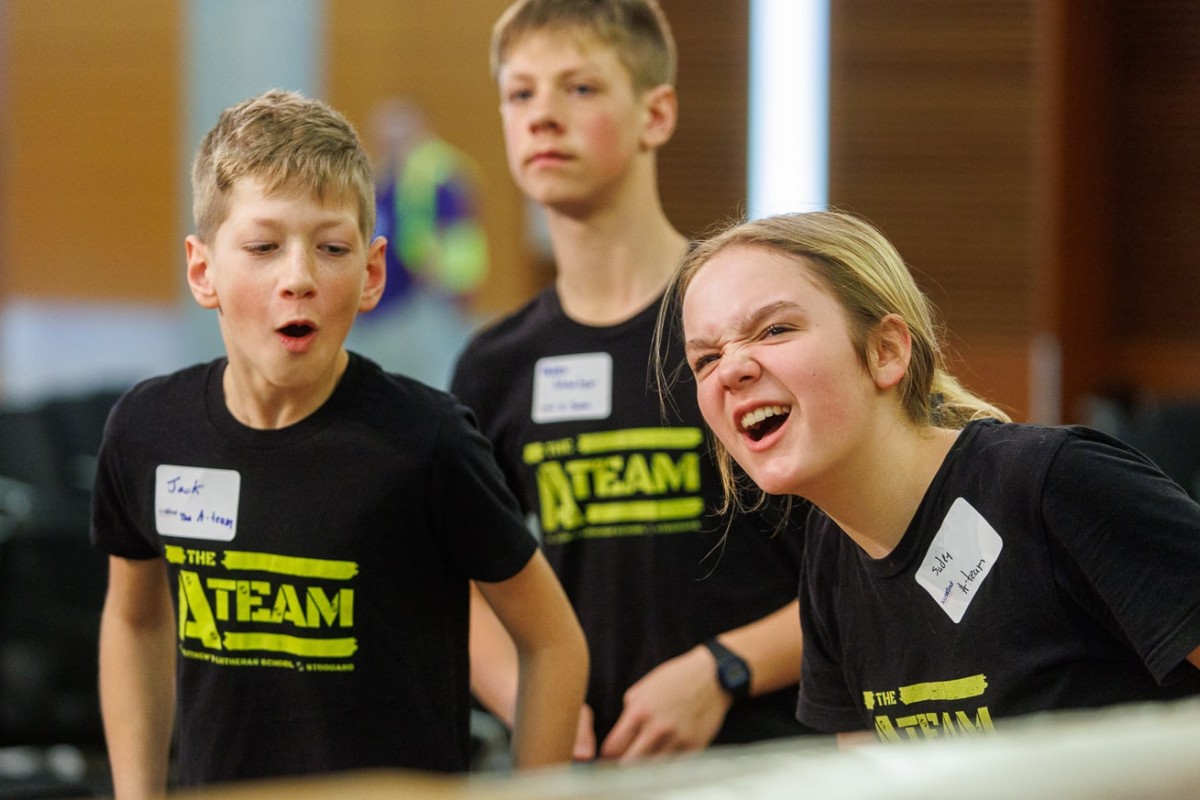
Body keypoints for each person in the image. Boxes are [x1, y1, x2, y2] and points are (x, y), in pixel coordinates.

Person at [91, 89, 588, 796]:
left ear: (371, 274)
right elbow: (135, 620)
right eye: (263, 248)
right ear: (204, 271)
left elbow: (553, 642)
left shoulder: (429, 441)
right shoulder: (148, 429)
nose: (298, 278)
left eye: (330, 249)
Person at [664, 209, 1200, 742]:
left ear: (885, 351)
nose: (732, 370)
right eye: (706, 359)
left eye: (775, 329)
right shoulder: (831, 557)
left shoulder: (1055, 482)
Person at [451, 0, 810, 764]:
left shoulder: (749, 326)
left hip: (766, 757)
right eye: (521, 93)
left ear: (657, 114)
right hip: (591, 770)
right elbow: (461, 581)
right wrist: (527, 693)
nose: (542, 116)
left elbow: (873, 564)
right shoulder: (495, 365)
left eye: (579, 89)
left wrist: (724, 670)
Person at [344, 96, 489, 389]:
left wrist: (449, 286)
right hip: (379, 305)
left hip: (421, 301)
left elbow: (459, 240)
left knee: (427, 385)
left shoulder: (438, 175)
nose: (390, 141)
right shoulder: (382, 177)